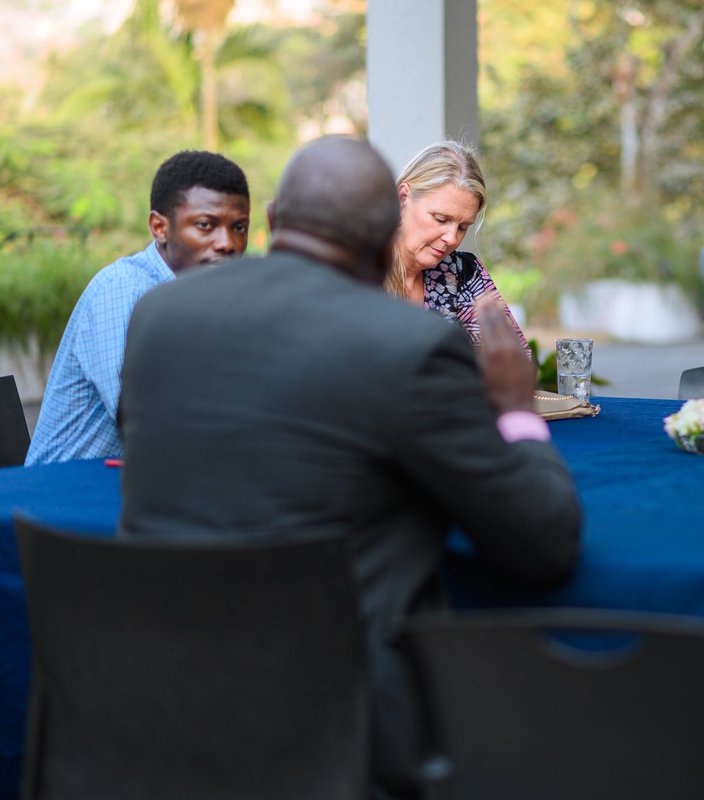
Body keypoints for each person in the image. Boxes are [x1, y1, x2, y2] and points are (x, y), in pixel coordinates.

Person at [118, 136, 581, 800]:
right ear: (384, 229)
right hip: (337, 722)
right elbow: (543, 545)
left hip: (153, 700)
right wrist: (515, 410)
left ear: (274, 217)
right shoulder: (412, 344)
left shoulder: (160, 314)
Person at [25, 150, 250, 465]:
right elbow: (143, 420)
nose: (227, 243)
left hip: (144, 484)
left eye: (239, 227)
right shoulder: (124, 288)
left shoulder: (212, 298)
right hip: (61, 494)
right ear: (159, 227)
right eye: (205, 225)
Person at [383, 140, 529, 354]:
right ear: (403, 198)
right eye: (441, 219)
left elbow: (515, 360)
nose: (452, 238)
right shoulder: (358, 269)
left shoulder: (462, 272)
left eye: (463, 227)